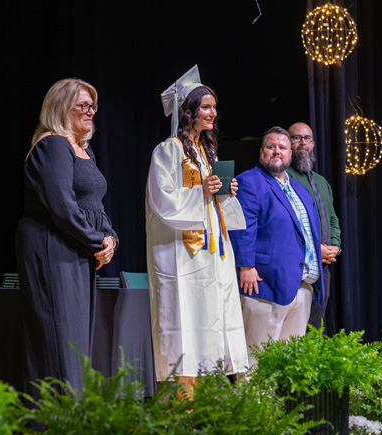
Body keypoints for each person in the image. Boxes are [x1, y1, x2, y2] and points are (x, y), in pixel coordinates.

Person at [146, 66, 248, 389]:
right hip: (181, 253)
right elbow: (162, 199)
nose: (212, 113)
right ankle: (180, 405)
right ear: (189, 111)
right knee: (184, 324)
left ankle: (205, 401)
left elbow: (211, 204)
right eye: (206, 107)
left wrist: (224, 192)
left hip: (210, 254)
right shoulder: (169, 150)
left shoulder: (206, 152)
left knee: (208, 324)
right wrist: (201, 192)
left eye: (214, 107)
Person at [16, 78, 118, 391]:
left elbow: (94, 203)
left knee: (74, 337)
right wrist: (95, 241)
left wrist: (109, 237)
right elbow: (61, 205)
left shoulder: (83, 150)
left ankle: (74, 410)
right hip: (52, 245)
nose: (91, 112)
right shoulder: (52, 145)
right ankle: (55, 414)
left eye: (93, 106)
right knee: (58, 333)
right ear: (61, 107)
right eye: (83, 105)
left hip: (77, 246)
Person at [230, 126, 324, 357]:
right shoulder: (249, 181)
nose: (276, 151)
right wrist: (246, 266)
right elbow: (242, 227)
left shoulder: (300, 190)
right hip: (265, 285)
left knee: (287, 363)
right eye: (271, 147)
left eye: (282, 147)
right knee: (257, 359)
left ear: (290, 154)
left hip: (302, 287)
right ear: (261, 151)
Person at [286, 122, 341, 330]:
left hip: (323, 264)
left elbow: (332, 219)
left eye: (307, 138)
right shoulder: (284, 178)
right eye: (296, 138)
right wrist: (315, 249)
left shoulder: (321, 181)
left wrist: (335, 246)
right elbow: (288, 223)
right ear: (288, 143)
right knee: (294, 327)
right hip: (297, 264)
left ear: (313, 144)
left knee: (315, 324)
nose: (303, 143)